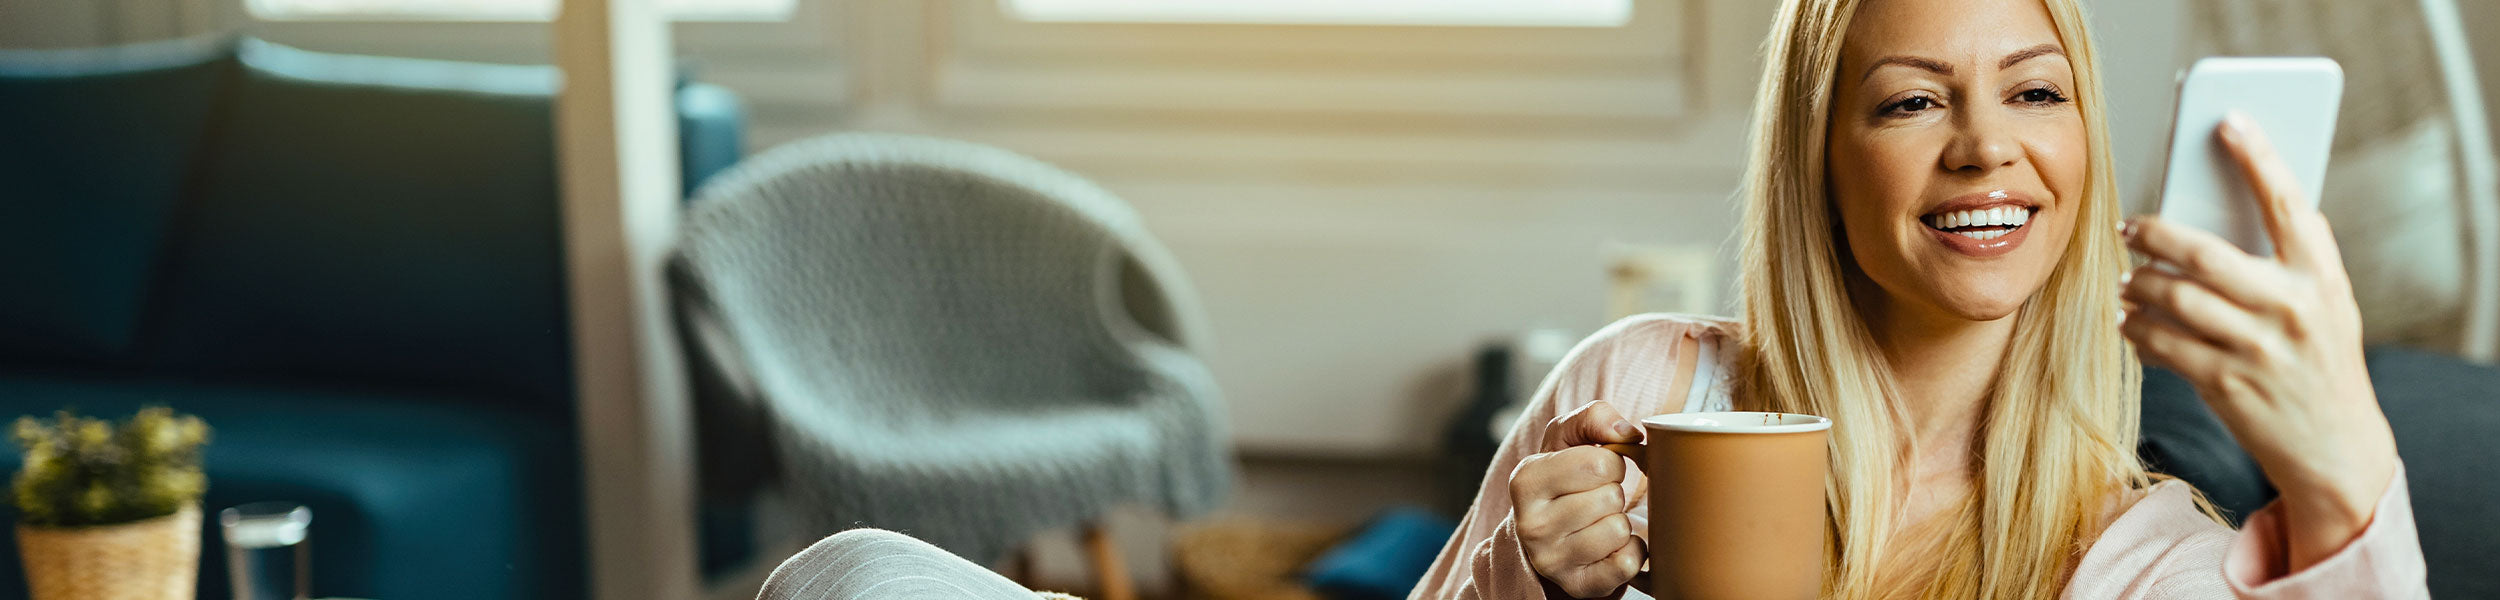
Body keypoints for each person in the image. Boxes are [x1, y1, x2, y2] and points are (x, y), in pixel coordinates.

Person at [1409, 0, 2426, 598]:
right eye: (1910, 101)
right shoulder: (1637, 388)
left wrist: (2345, 468)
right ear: (1820, 163)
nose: (1987, 147)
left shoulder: (2145, 563)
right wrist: (1518, 584)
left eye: (2034, 92)